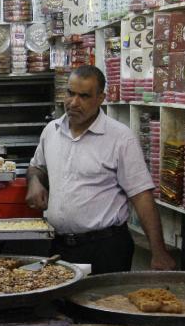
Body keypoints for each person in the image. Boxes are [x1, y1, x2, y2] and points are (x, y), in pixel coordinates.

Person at [26, 65, 176, 274]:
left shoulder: (119, 138)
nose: (74, 102)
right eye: (70, 93)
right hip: (60, 247)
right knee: (63, 305)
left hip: (105, 248)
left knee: (100, 304)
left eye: (84, 96)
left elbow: (141, 196)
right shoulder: (52, 131)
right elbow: (37, 166)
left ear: (100, 98)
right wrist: (34, 182)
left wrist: (158, 252)